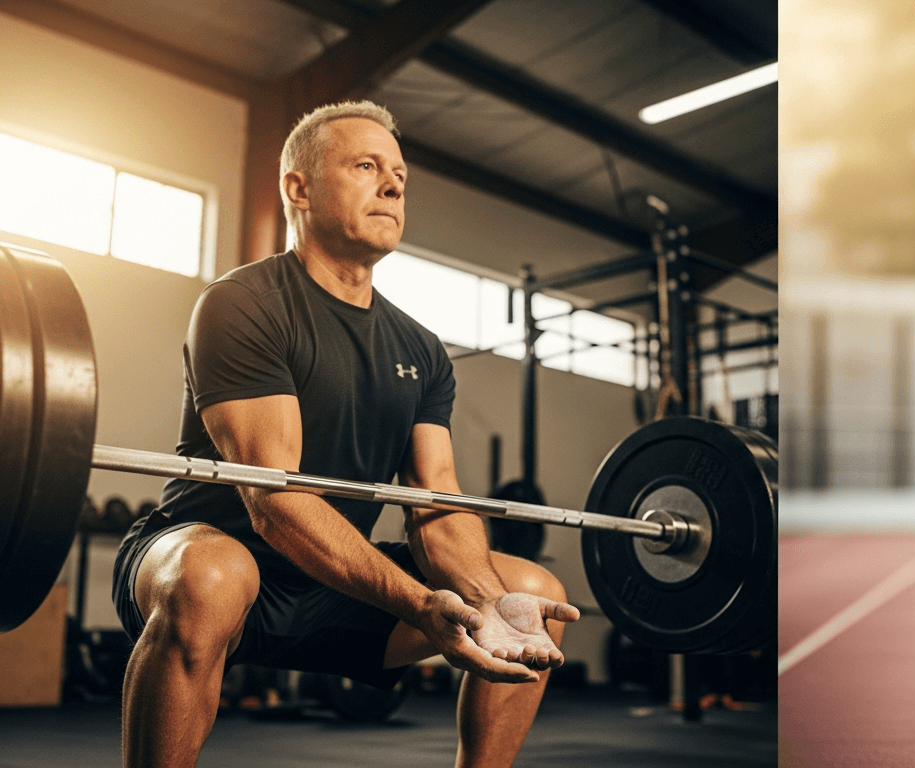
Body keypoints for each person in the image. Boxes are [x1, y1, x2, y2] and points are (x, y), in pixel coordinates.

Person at [112, 100, 581, 768]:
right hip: (205, 563)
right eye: (366, 166)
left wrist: (485, 600)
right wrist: (420, 602)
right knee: (215, 575)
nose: (393, 186)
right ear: (298, 188)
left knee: (533, 594)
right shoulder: (244, 304)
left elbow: (436, 502)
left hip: (333, 581)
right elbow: (275, 502)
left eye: (400, 176)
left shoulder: (420, 348)